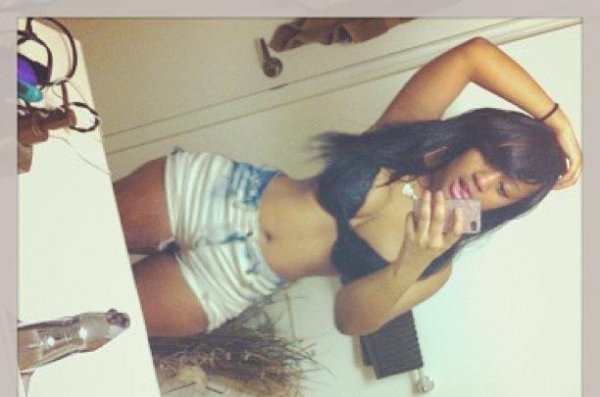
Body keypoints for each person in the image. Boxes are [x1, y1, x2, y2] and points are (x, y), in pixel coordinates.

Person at [114, 36, 581, 338]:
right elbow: (473, 56)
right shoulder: (405, 138)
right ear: (473, 142)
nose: (484, 180)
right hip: (217, 195)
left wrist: (411, 261)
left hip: (230, 281)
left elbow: (350, 320)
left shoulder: (436, 265)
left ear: (500, 209)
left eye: (503, 189)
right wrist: (558, 121)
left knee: (97, 311)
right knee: (79, 232)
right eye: (492, 159)